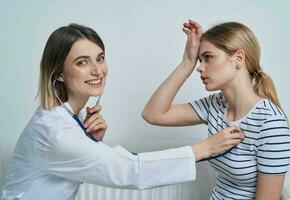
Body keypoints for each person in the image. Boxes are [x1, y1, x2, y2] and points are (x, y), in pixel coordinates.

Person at [1, 23, 244, 200]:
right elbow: (132, 171)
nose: (98, 70)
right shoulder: (55, 131)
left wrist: (89, 142)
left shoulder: (64, 118)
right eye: (82, 62)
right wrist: (205, 148)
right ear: (60, 73)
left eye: (100, 58)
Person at [142, 20, 290, 200]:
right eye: (199, 59)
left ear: (238, 59)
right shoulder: (216, 104)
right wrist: (187, 62)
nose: (200, 67)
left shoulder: (270, 123)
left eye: (208, 57)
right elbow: (153, 114)